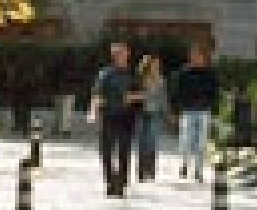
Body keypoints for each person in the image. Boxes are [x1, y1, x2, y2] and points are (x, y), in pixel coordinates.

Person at [86, 41, 142, 197]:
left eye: (122, 53)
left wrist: (133, 97)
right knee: (106, 151)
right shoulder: (105, 74)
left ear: (127, 54)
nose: (120, 56)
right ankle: (110, 181)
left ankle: (121, 183)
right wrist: (92, 112)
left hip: (127, 118)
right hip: (108, 116)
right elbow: (97, 94)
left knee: (124, 151)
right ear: (113, 56)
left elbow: (142, 94)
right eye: (117, 54)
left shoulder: (133, 75)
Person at [170, 43, 220, 181]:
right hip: (188, 110)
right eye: (193, 55)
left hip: (204, 111)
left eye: (198, 56)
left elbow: (215, 94)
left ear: (203, 57)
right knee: (186, 140)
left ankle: (198, 170)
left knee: (201, 143)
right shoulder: (183, 73)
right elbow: (176, 93)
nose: (195, 58)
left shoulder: (210, 74)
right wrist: (175, 111)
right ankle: (184, 164)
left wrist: (215, 112)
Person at [134, 54, 168, 182]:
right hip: (140, 113)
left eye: (158, 65)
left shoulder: (161, 80)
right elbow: (134, 94)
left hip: (154, 114)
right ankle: (141, 171)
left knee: (151, 142)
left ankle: (151, 170)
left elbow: (163, 98)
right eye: (154, 64)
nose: (157, 66)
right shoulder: (140, 79)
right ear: (148, 65)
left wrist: (167, 114)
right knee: (142, 142)